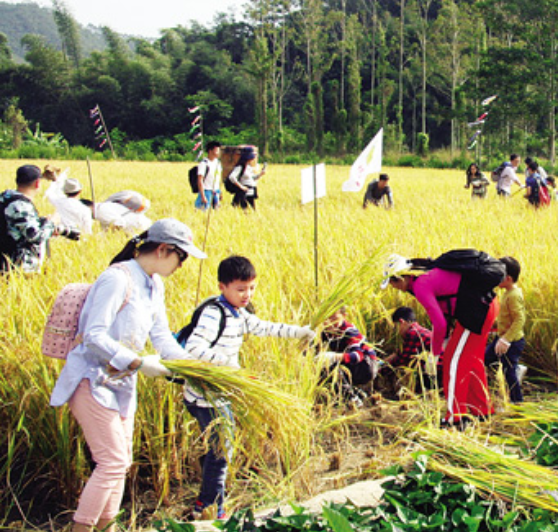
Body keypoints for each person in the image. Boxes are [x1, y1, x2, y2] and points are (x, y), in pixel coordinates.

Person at [48, 218, 205, 532]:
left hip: (120, 384)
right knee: (112, 463)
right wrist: (137, 363)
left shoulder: (153, 284)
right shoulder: (117, 279)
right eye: (182, 257)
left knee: (120, 464)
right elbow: (93, 335)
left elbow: (161, 337)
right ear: (163, 250)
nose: (182, 265)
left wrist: (192, 367)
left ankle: (109, 528)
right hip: (90, 380)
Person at [181, 255, 314, 520]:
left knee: (219, 449)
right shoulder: (214, 313)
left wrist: (300, 331)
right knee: (222, 450)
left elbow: (265, 328)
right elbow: (194, 348)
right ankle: (209, 506)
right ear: (222, 287)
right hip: (206, 396)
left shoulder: (238, 313)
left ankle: (206, 502)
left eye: (251, 288)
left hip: (218, 393)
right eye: (241, 289)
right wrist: (231, 369)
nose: (247, 295)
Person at [383, 252, 502, 427]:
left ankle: (455, 417)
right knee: (472, 361)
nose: (394, 287)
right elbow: (445, 310)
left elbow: (439, 323)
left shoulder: (421, 285)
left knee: (453, 363)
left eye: (393, 282)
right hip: (486, 306)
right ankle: (482, 411)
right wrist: (444, 341)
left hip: (477, 312)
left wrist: (435, 353)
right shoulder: (428, 275)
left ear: (401, 278)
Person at [1, 164, 75, 273]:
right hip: (18, 268)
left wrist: (41, 222)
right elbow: (35, 236)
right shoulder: (21, 206)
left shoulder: (5, 198)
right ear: (37, 183)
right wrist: (51, 222)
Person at [483, 256, 527, 403]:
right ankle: (514, 372)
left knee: (509, 373)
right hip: (502, 337)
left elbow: (519, 319)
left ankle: (517, 402)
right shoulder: (508, 293)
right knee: (486, 358)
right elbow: (506, 318)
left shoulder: (513, 296)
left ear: (507, 278)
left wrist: (506, 339)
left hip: (512, 342)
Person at [317, 307, 379, 405]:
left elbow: (358, 356)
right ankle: (358, 393)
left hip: (367, 365)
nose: (329, 322)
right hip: (355, 364)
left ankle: (352, 400)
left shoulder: (349, 331)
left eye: (333, 318)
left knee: (332, 369)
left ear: (344, 316)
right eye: (326, 318)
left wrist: (334, 356)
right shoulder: (327, 332)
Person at [46, 171, 94, 235]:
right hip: (76, 236)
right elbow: (87, 230)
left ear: (65, 192)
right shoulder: (85, 209)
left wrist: (55, 181)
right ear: (80, 191)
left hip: (61, 234)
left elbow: (50, 194)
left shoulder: (59, 202)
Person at [80, 198, 153, 235]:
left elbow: (120, 223)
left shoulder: (100, 211)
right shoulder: (100, 209)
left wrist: (108, 234)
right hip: (139, 227)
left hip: (139, 228)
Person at [195, 141, 223, 210]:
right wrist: (203, 196)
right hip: (206, 191)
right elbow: (200, 180)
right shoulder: (204, 164)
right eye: (216, 150)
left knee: (216, 210)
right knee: (204, 210)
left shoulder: (218, 163)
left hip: (216, 191)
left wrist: (220, 191)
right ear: (210, 151)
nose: (218, 153)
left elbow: (218, 178)